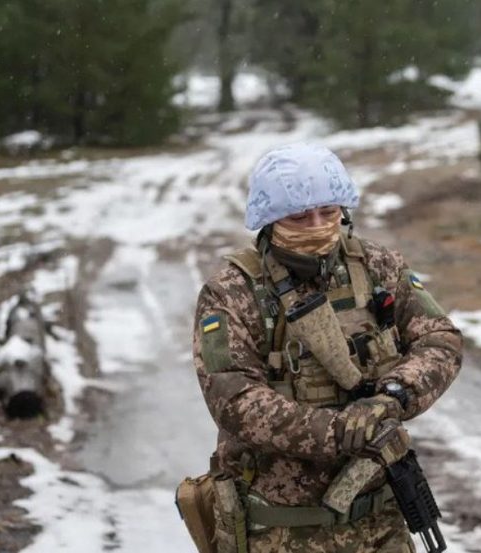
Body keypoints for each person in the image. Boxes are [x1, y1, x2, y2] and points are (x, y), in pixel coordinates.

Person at [191, 143, 463, 553]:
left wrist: (393, 396)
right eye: (299, 216)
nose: (316, 224)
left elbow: (440, 339)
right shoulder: (232, 291)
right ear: (269, 219)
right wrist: (335, 432)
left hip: (380, 522)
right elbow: (233, 398)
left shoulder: (378, 267)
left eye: (328, 212)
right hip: (283, 531)